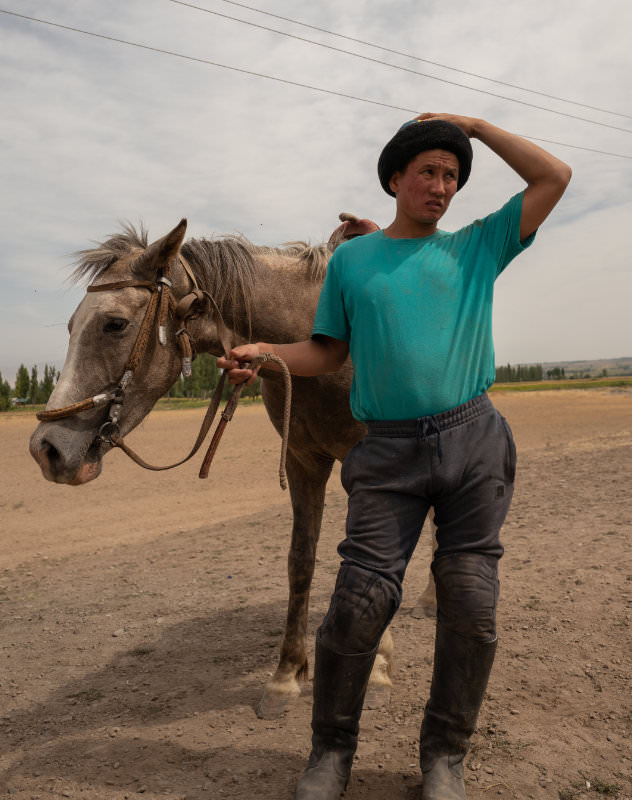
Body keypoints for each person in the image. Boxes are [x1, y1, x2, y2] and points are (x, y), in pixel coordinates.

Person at [218, 113, 571, 800]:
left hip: (474, 445)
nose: (441, 186)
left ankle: (445, 757)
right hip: (386, 451)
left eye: (451, 175)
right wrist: (265, 354)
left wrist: (474, 126)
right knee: (359, 601)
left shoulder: (477, 247)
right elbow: (328, 352)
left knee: (471, 606)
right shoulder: (353, 261)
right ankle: (330, 753)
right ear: (395, 180)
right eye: (429, 172)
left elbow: (553, 176)